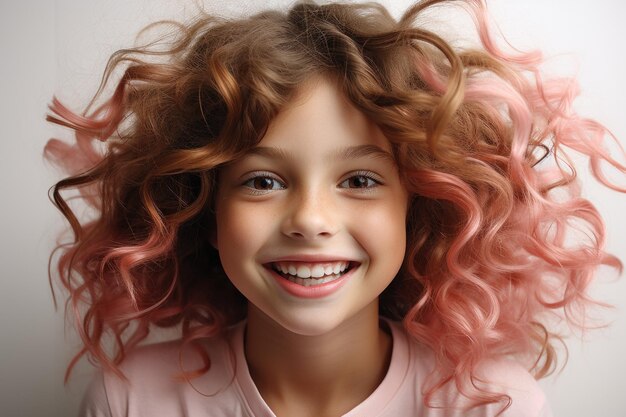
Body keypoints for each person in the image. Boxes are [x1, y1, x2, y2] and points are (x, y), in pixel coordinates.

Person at [45, 0, 626, 416]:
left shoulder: (491, 404)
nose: (311, 219)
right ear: (206, 214)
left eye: (360, 178)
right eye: (264, 181)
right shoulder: (130, 399)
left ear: (417, 209)